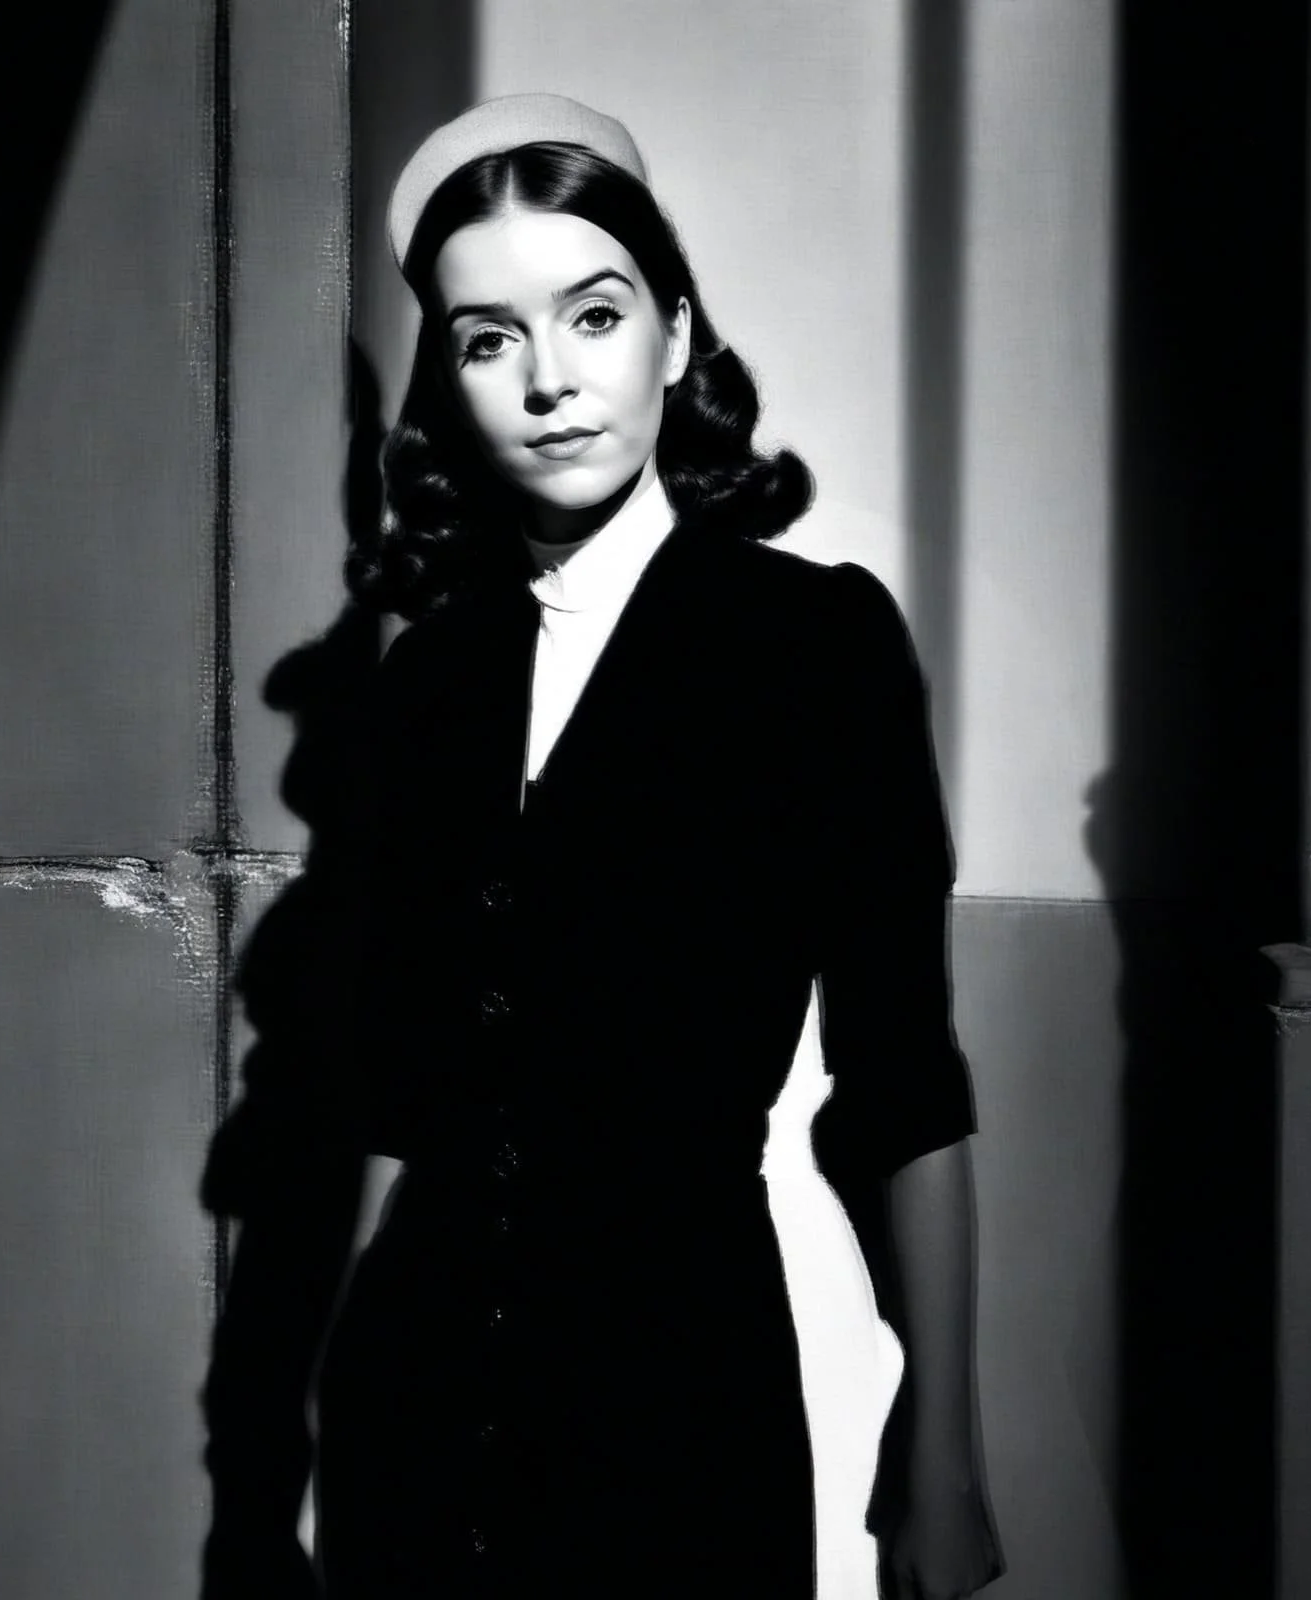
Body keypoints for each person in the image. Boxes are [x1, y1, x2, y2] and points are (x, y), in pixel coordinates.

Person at [199, 93, 1005, 1600]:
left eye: (595, 314)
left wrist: (941, 1461)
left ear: (678, 334)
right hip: (413, 1408)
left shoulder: (811, 644)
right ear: (445, 379)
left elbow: (905, 1089)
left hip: (679, 1407)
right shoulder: (427, 679)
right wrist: (318, 1427)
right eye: (490, 339)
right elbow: (398, 1105)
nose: (553, 382)